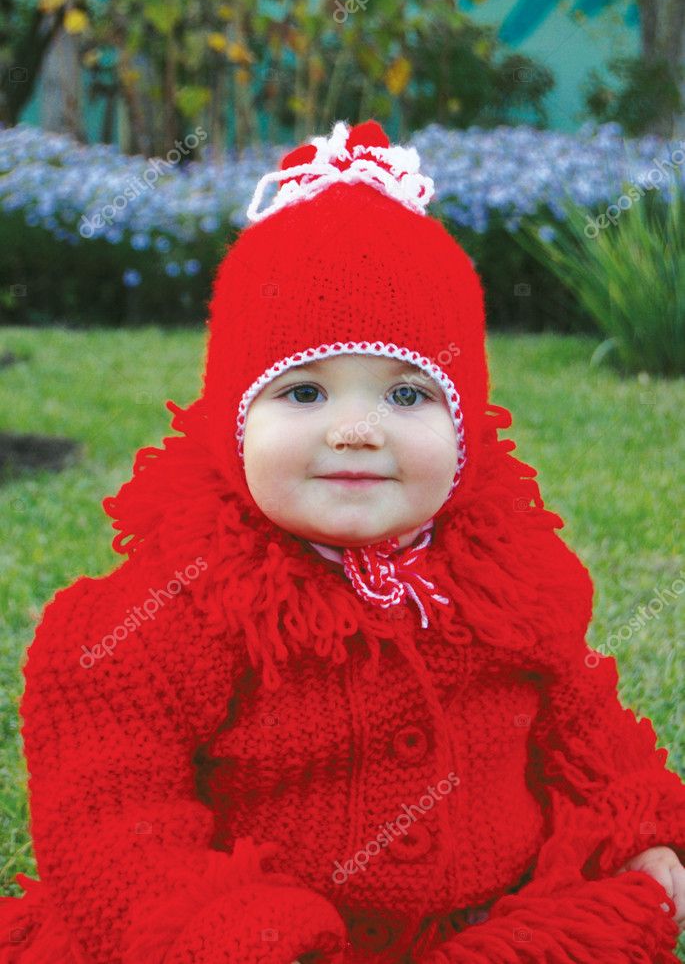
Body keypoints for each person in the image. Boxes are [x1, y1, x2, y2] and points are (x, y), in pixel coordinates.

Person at [1, 119, 684, 964]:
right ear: (231, 423)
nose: (356, 430)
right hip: (264, 942)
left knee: (620, 915)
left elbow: (582, 725)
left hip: (482, 932)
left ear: (468, 423)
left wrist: (640, 826)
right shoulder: (168, 616)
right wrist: (231, 936)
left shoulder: (509, 579)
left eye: (406, 396)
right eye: (303, 392)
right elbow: (113, 818)